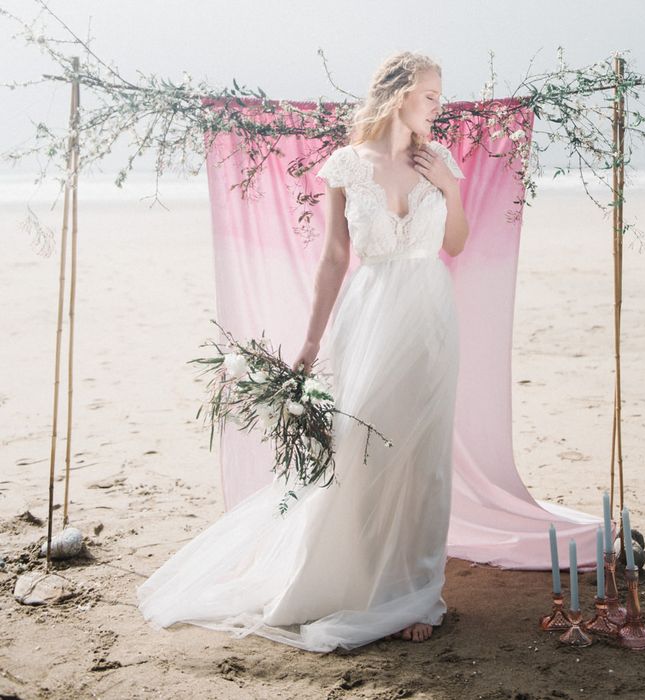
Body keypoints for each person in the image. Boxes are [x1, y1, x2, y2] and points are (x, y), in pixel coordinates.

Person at [136, 50, 469, 652]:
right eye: (431, 96)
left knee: (424, 454)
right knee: (362, 447)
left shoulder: (438, 161)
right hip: (370, 314)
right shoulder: (348, 166)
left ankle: (416, 589)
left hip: (429, 315)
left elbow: (458, 241)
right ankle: (362, 578)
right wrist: (312, 341)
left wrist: (448, 187)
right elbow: (336, 258)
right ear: (400, 96)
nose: (438, 106)